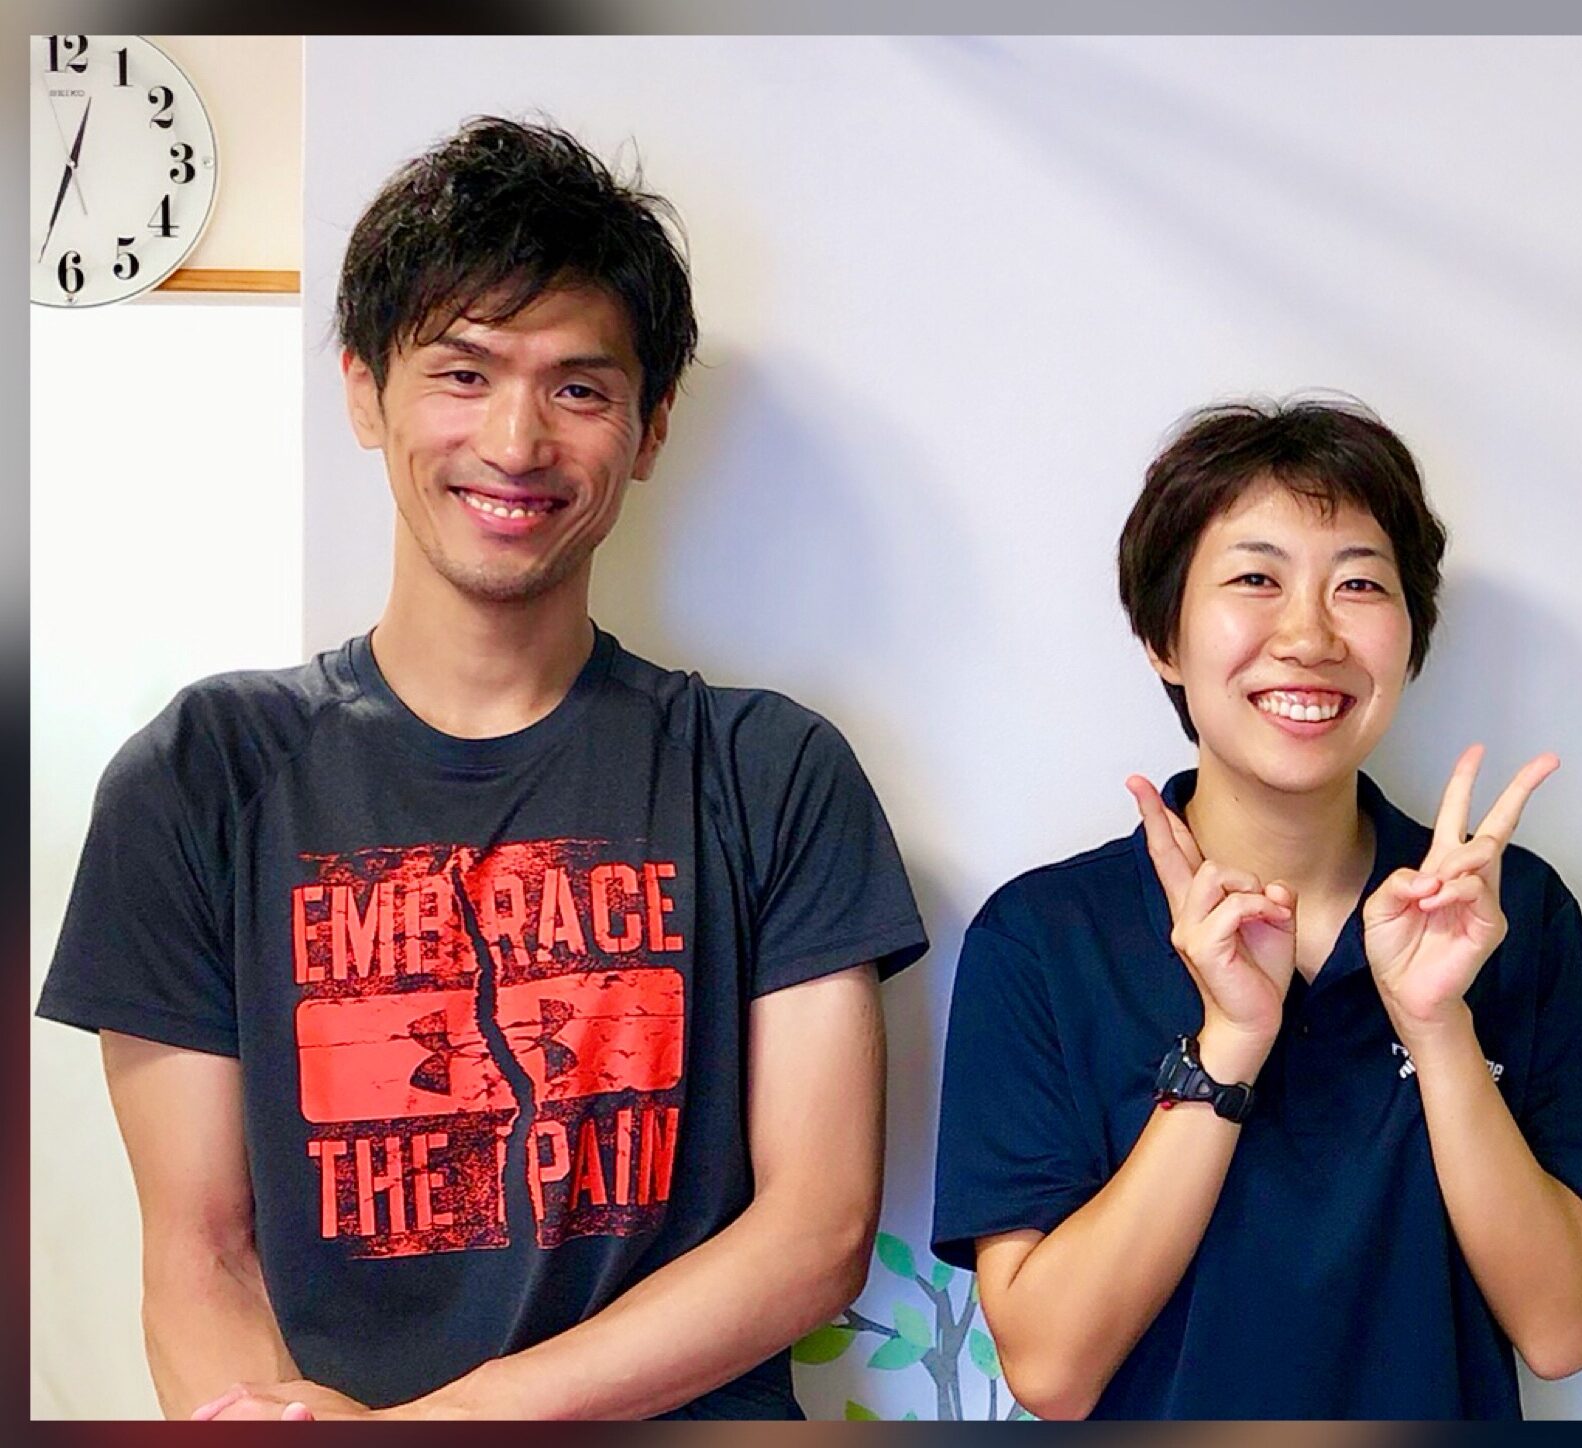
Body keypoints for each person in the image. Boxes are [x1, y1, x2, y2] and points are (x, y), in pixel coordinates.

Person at [36, 116, 927, 1421]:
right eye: (462, 372)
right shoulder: (200, 778)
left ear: (650, 428)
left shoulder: (769, 771)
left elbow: (816, 1230)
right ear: (363, 389)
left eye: (580, 388)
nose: (515, 441)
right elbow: (199, 1252)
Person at [930, 399, 1582, 1419]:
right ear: (1163, 636)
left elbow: (1564, 1328)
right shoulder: (1044, 937)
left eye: (1359, 583)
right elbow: (1051, 1370)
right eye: (1256, 579)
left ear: (1409, 636)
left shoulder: (1508, 911)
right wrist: (1229, 1043)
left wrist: (1439, 1029)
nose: (1308, 635)